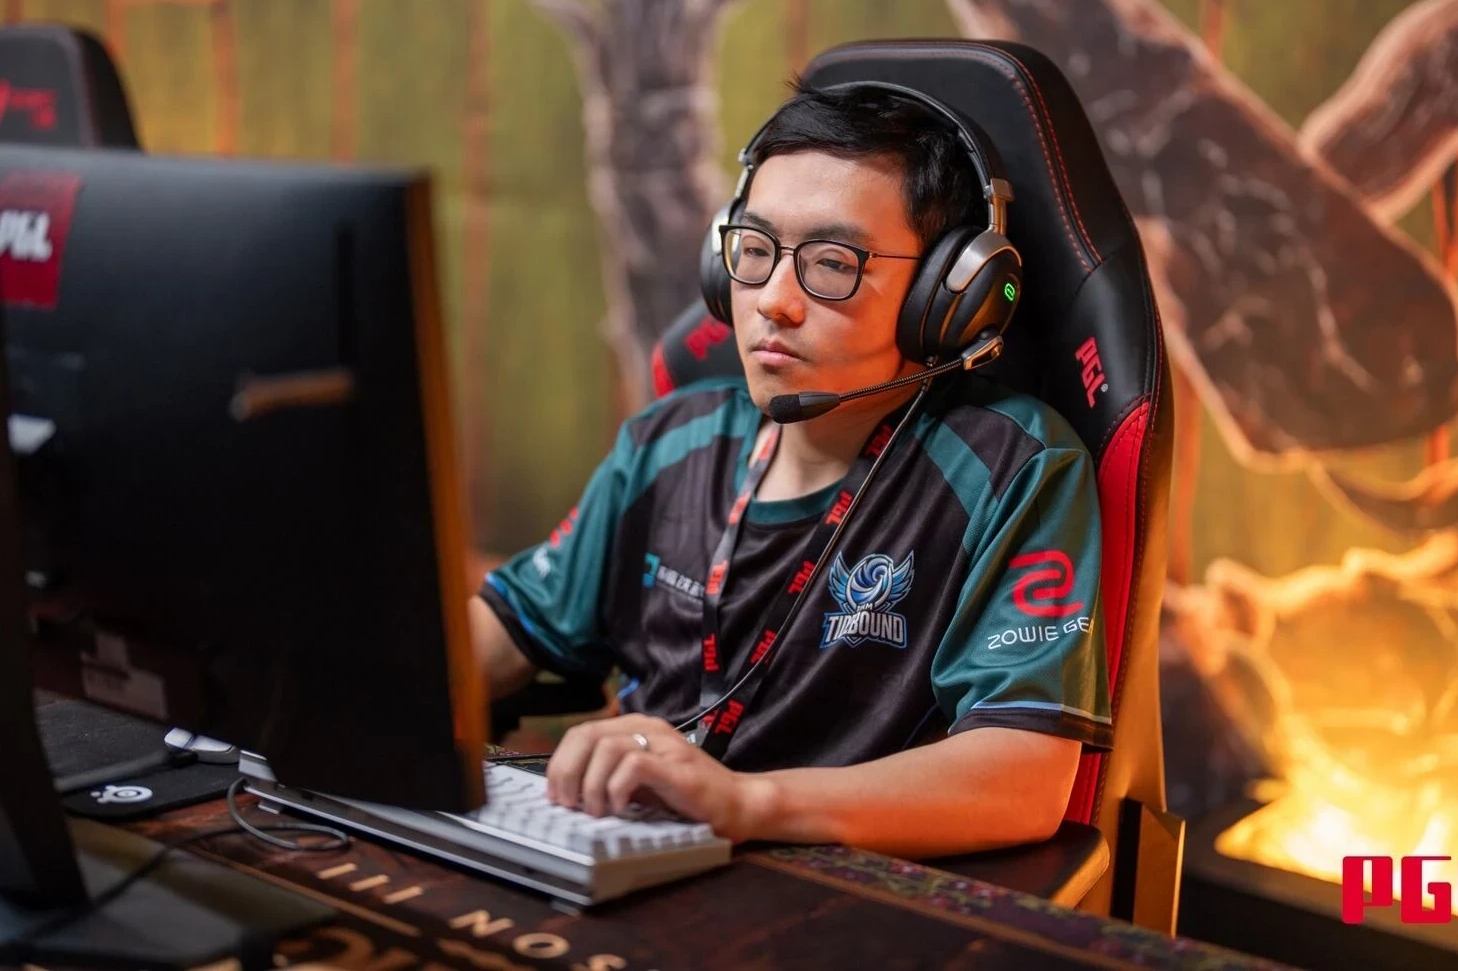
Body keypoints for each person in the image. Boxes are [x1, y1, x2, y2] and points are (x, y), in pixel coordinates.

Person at [467, 84, 1111, 860]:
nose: (773, 301)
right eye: (755, 250)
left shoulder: (1014, 467)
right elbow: (507, 633)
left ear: (946, 296)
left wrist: (742, 803)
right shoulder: (668, 441)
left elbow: (1022, 781)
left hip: (836, 882)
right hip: (627, 857)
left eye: (832, 264)